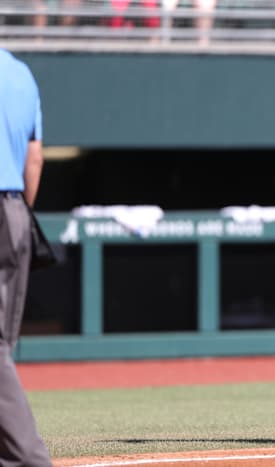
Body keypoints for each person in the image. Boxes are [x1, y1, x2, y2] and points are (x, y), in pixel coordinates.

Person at [0, 49, 53, 467]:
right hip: (16, 208)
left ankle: (27, 458)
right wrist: (19, 216)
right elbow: (34, 159)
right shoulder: (19, 71)